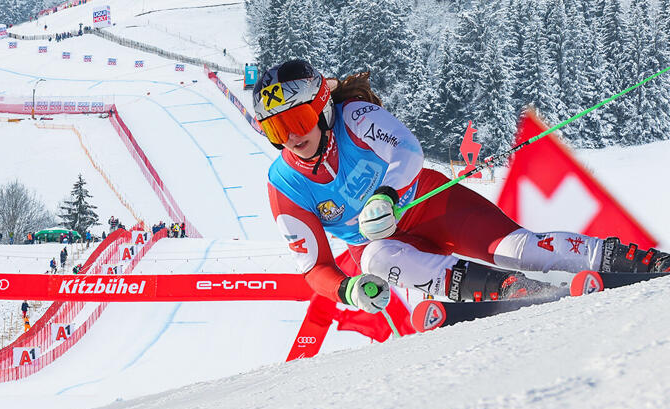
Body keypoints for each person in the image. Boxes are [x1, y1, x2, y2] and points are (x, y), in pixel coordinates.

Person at [252, 60, 670, 314]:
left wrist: (388, 194)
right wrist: (348, 290)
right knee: (374, 258)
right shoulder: (284, 183)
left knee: (517, 249)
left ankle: (634, 260)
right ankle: (506, 290)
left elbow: (408, 150)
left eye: (297, 121)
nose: (290, 137)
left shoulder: (353, 117)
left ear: (323, 106)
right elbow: (314, 268)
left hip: (432, 205)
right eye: (275, 128)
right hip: (383, 246)